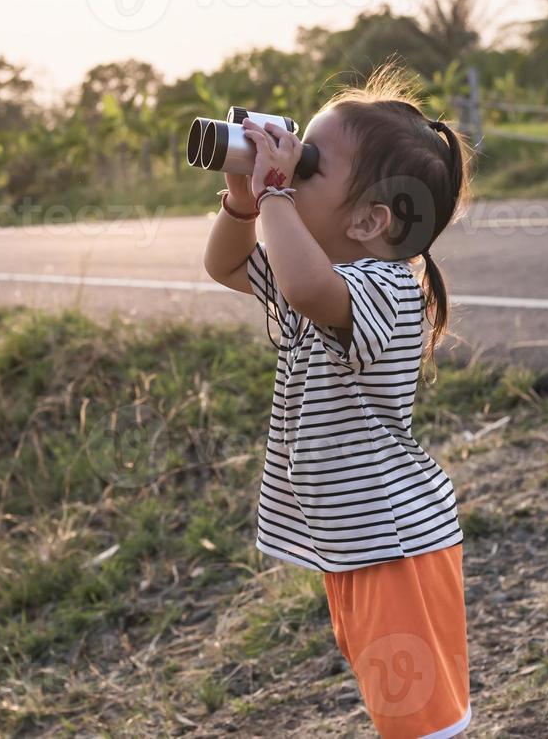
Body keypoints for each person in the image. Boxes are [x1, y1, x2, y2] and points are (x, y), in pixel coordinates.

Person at [202, 65, 473, 738]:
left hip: (393, 544)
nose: (292, 172)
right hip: (352, 543)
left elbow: (299, 285)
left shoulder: (382, 288)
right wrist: (243, 199)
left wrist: (272, 196)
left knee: (420, 720)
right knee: (395, 706)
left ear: (371, 220)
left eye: (310, 164)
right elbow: (227, 267)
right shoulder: (328, 279)